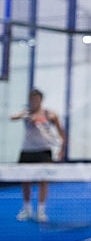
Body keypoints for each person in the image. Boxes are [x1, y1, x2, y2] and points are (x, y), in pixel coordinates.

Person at [11, 88, 66, 223]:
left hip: (44, 151)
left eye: (37, 99)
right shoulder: (26, 113)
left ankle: (41, 210)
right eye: (32, 99)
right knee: (25, 181)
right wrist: (25, 116)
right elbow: (13, 117)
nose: (34, 101)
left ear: (41, 100)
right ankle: (27, 208)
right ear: (30, 100)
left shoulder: (50, 114)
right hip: (27, 151)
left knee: (43, 180)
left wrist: (61, 150)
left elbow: (61, 133)